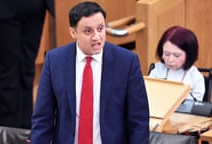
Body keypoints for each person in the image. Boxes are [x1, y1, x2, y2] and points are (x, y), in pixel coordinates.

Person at [31, 1, 149, 144]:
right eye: (88, 31)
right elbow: (43, 118)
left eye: (100, 29)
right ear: (73, 33)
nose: (96, 37)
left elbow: (139, 120)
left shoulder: (127, 62)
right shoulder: (55, 60)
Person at [0, 0, 54, 129]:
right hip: (0, 7)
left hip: (31, 6)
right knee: (8, 76)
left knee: (25, 71)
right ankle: (13, 134)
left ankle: (24, 133)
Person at [149, 26, 205, 101]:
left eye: (177, 55)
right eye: (167, 54)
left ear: (188, 54)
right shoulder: (157, 69)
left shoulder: (195, 77)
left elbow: (197, 107)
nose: (170, 60)